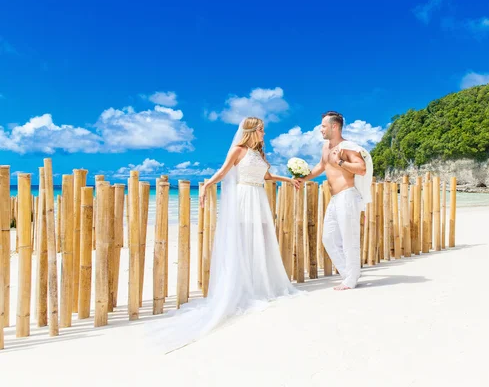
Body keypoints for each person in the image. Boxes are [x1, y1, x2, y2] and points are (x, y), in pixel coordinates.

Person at [147, 116, 304, 353]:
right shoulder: (238, 150)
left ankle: (259, 282)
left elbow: (267, 177)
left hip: (258, 197)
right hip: (243, 198)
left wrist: (289, 180)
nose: (264, 134)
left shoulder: (260, 153)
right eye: (261, 130)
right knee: (243, 240)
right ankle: (243, 285)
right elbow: (223, 171)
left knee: (259, 240)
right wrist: (207, 186)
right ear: (251, 131)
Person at [298, 111, 373, 290]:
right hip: (335, 198)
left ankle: (351, 279)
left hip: (348, 195)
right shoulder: (326, 147)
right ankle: (349, 274)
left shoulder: (347, 147)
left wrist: (340, 162)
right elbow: (322, 165)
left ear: (334, 126)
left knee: (349, 238)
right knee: (328, 238)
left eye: (323, 126)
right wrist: (304, 178)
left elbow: (361, 168)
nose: (320, 129)